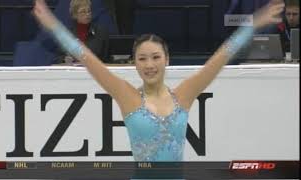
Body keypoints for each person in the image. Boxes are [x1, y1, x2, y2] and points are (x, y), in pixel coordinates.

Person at [33, 0, 284, 164]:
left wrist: (255, 24)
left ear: (167, 59)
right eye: (142, 58)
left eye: (155, 57)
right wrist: (54, 25)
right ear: (135, 63)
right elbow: (86, 57)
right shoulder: (127, 96)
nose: (149, 64)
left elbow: (221, 56)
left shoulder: (183, 94)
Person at [41, 0, 110, 64]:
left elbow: (106, 58)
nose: (87, 14)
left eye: (89, 11)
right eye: (83, 11)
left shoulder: (101, 33)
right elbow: (56, 58)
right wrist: (64, 59)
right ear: (75, 14)